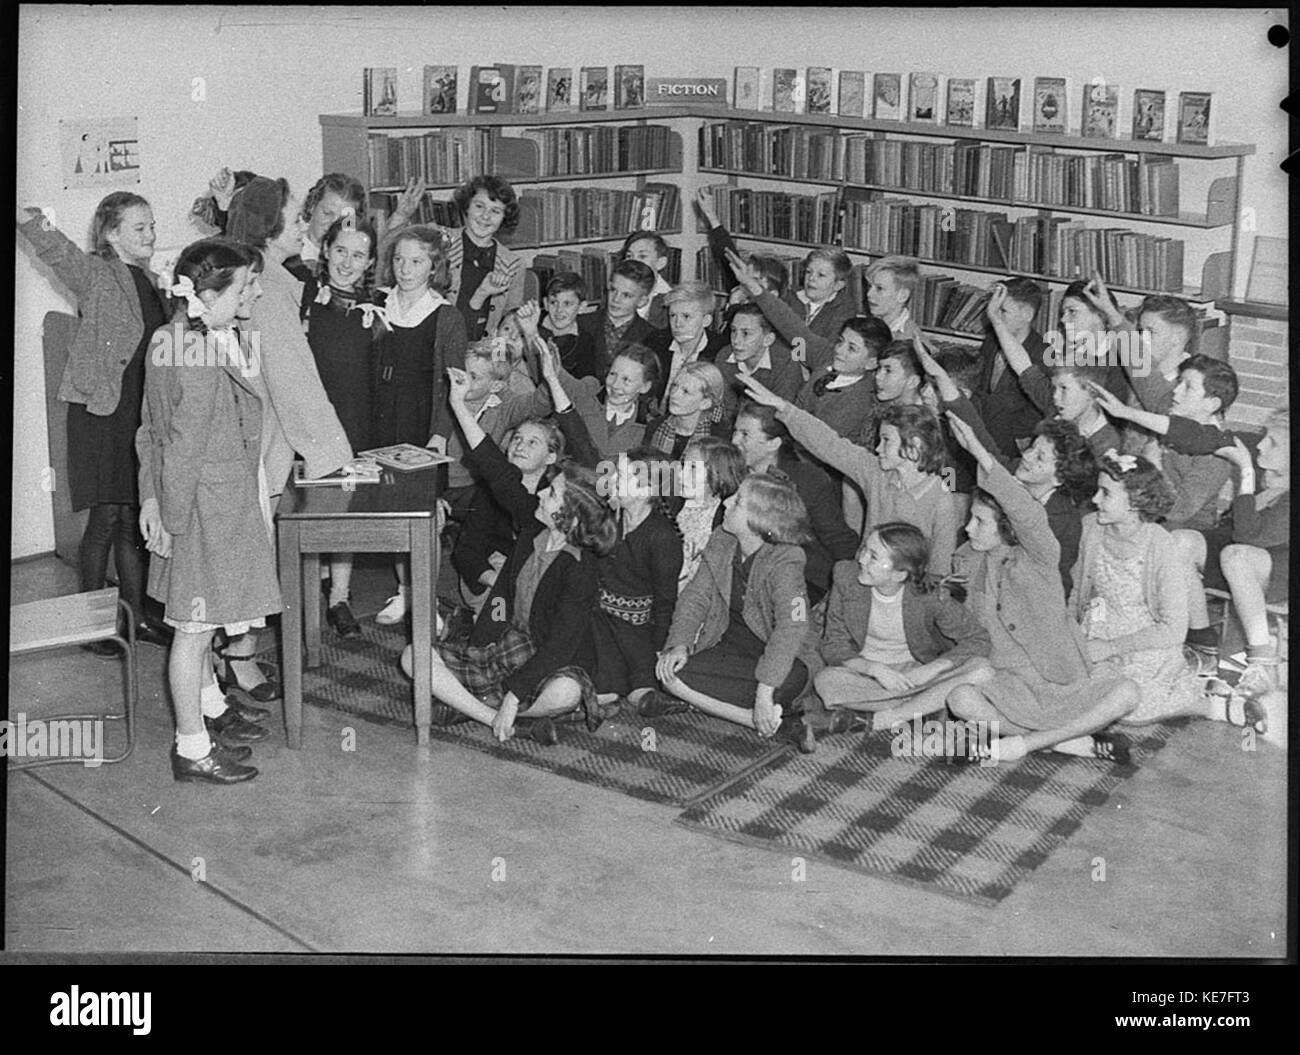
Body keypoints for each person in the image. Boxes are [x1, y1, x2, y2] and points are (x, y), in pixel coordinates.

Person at [400, 365, 616, 745]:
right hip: (509, 645)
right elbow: (493, 465)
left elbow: (560, 646)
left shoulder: (580, 568)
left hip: (550, 657)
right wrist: (457, 402)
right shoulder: (535, 523)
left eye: (551, 494)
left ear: (564, 518)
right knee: (411, 656)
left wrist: (515, 696)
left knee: (566, 693)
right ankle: (492, 716)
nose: (543, 495)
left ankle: (480, 705)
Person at [137, 239, 279, 784]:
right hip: (200, 509)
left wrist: (155, 499)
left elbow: (153, 430)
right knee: (193, 632)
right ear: (211, 292)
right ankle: (191, 748)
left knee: (200, 625)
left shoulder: (183, 337)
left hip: (205, 502)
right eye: (246, 285)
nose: (256, 291)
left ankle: (211, 713)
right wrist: (168, 519)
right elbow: (178, 443)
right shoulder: (190, 349)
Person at [16, 192, 173, 651]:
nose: (151, 235)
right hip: (103, 414)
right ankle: (92, 625)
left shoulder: (149, 279)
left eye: (152, 225)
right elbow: (56, 250)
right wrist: (27, 216)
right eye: (140, 227)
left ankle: (137, 617)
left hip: (135, 413)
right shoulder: (98, 273)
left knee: (129, 519)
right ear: (111, 234)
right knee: (106, 518)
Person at [942, 413, 1142, 764]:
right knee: (960, 698)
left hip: (1060, 679)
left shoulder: (1039, 556)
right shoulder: (969, 559)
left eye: (978, 522)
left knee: (1128, 692)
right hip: (1009, 683)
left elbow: (1029, 517)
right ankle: (1065, 742)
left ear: (1005, 526)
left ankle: (1021, 744)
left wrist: (977, 450)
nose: (968, 529)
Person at [222, 175, 355, 698]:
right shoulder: (269, 288)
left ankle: (228, 661)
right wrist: (336, 458)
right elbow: (294, 383)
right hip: (254, 446)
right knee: (250, 556)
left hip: (246, 439)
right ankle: (239, 662)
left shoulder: (254, 275)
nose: (305, 223)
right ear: (268, 228)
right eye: (296, 216)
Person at [1068, 450, 1270, 732]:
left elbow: (1174, 628)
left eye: (1106, 493)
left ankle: (1212, 706)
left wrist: (1112, 648)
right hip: (1099, 625)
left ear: (1134, 503)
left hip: (1146, 640)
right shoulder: (1091, 528)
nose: (1094, 500)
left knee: (1129, 705)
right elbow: (1080, 594)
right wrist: (1074, 635)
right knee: (1076, 691)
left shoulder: (1160, 544)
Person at [647, 472, 814, 750]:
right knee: (668, 674)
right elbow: (695, 598)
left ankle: (707, 703)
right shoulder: (722, 540)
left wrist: (765, 690)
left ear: (758, 520)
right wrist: (679, 644)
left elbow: (792, 626)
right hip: (729, 653)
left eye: (737, 502)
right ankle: (773, 723)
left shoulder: (788, 559)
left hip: (783, 660)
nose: (726, 501)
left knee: (792, 677)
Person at [919, 337, 1097, 593]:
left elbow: (953, 470)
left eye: (1039, 457)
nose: (1026, 456)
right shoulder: (1018, 472)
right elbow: (985, 448)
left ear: (1059, 477)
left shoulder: (1060, 520)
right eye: (1032, 448)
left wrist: (948, 483)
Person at [741, 375, 960, 580]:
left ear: (914, 446)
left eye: (886, 440)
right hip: (862, 577)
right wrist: (783, 408)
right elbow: (830, 444)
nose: (877, 448)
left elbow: (939, 572)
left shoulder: (941, 501)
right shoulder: (876, 472)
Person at [369, 224, 469, 626]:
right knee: (392, 515)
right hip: (380, 426)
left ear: (433, 266)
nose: (405, 269)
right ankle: (404, 590)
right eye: (398, 260)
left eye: (416, 261)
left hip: (422, 427)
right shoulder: (377, 306)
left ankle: (426, 600)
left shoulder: (446, 316)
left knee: (425, 516)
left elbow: (454, 383)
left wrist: (440, 434)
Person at [814, 522, 991, 733]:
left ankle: (889, 716)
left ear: (899, 575)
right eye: (864, 550)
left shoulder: (932, 595)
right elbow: (833, 645)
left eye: (873, 556)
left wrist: (931, 670)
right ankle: (926, 706)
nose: (861, 560)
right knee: (825, 682)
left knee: (982, 669)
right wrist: (874, 669)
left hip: (914, 674)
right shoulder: (846, 576)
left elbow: (978, 639)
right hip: (864, 674)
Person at [300, 215, 385, 637]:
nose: (347, 263)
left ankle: (339, 597)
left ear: (369, 261)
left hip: (356, 421)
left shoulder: (377, 310)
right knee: (310, 512)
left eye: (358, 255)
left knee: (345, 510)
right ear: (325, 251)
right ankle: (305, 594)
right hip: (310, 423)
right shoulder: (306, 301)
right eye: (340, 252)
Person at [728, 400, 859, 604]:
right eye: (735, 431)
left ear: (774, 443)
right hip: (740, 577)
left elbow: (838, 539)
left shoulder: (808, 480)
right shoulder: (730, 473)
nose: (734, 440)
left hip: (800, 584)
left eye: (745, 434)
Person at [385, 174, 525, 341]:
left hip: (481, 357)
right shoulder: (439, 239)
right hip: (432, 345)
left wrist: (496, 363)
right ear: (467, 207)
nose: (485, 216)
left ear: (504, 217)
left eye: (495, 211)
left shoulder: (513, 264)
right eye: (479, 206)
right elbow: (389, 247)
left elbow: (506, 329)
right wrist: (400, 216)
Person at [971, 277, 1049, 460]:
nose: (995, 317)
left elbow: (1039, 409)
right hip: (982, 435)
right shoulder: (991, 342)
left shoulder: (1044, 354)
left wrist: (1008, 435)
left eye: (1003, 310)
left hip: (1014, 445)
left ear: (1027, 315)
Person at [676, 436, 746, 592]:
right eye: (683, 466)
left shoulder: (724, 521)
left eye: (693, 468)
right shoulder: (673, 506)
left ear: (719, 475)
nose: (681, 475)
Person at [643, 280, 728, 406]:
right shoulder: (655, 341)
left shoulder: (720, 352)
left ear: (706, 320)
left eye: (686, 316)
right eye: (672, 316)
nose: (677, 323)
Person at [714, 303, 803, 422]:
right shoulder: (724, 357)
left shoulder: (786, 363)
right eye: (733, 331)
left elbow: (780, 415)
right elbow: (725, 410)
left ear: (768, 340)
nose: (736, 340)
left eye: (746, 333)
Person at [577, 258, 661, 378]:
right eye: (613, 290)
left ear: (642, 301)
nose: (616, 299)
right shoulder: (581, 323)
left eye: (626, 295)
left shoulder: (651, 336)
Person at [644, 361, 731, 459]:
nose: (674, 394)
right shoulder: (656, 426)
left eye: (685, 392)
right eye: (674, 385)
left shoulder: (718, 441)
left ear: (705, 403)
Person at [539, 271, 598, 378]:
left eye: (567, 304)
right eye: (553, 302)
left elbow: (588, 385)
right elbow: (498, 341)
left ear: (581, 307)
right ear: (545, 303)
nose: (559, 310)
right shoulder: (531, 324)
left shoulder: (585, 342)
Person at [622, 230, 673, 328]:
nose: (634, 262)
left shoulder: (672, 300)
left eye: (642, 256)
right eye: (629, 256)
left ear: (660, 263)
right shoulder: (613, 293)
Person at [864, 256, 921, 338]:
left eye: (879, 288)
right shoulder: (872, 325)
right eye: (869, 286)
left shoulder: (909, 340)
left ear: (902, 296)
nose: (869, 294)